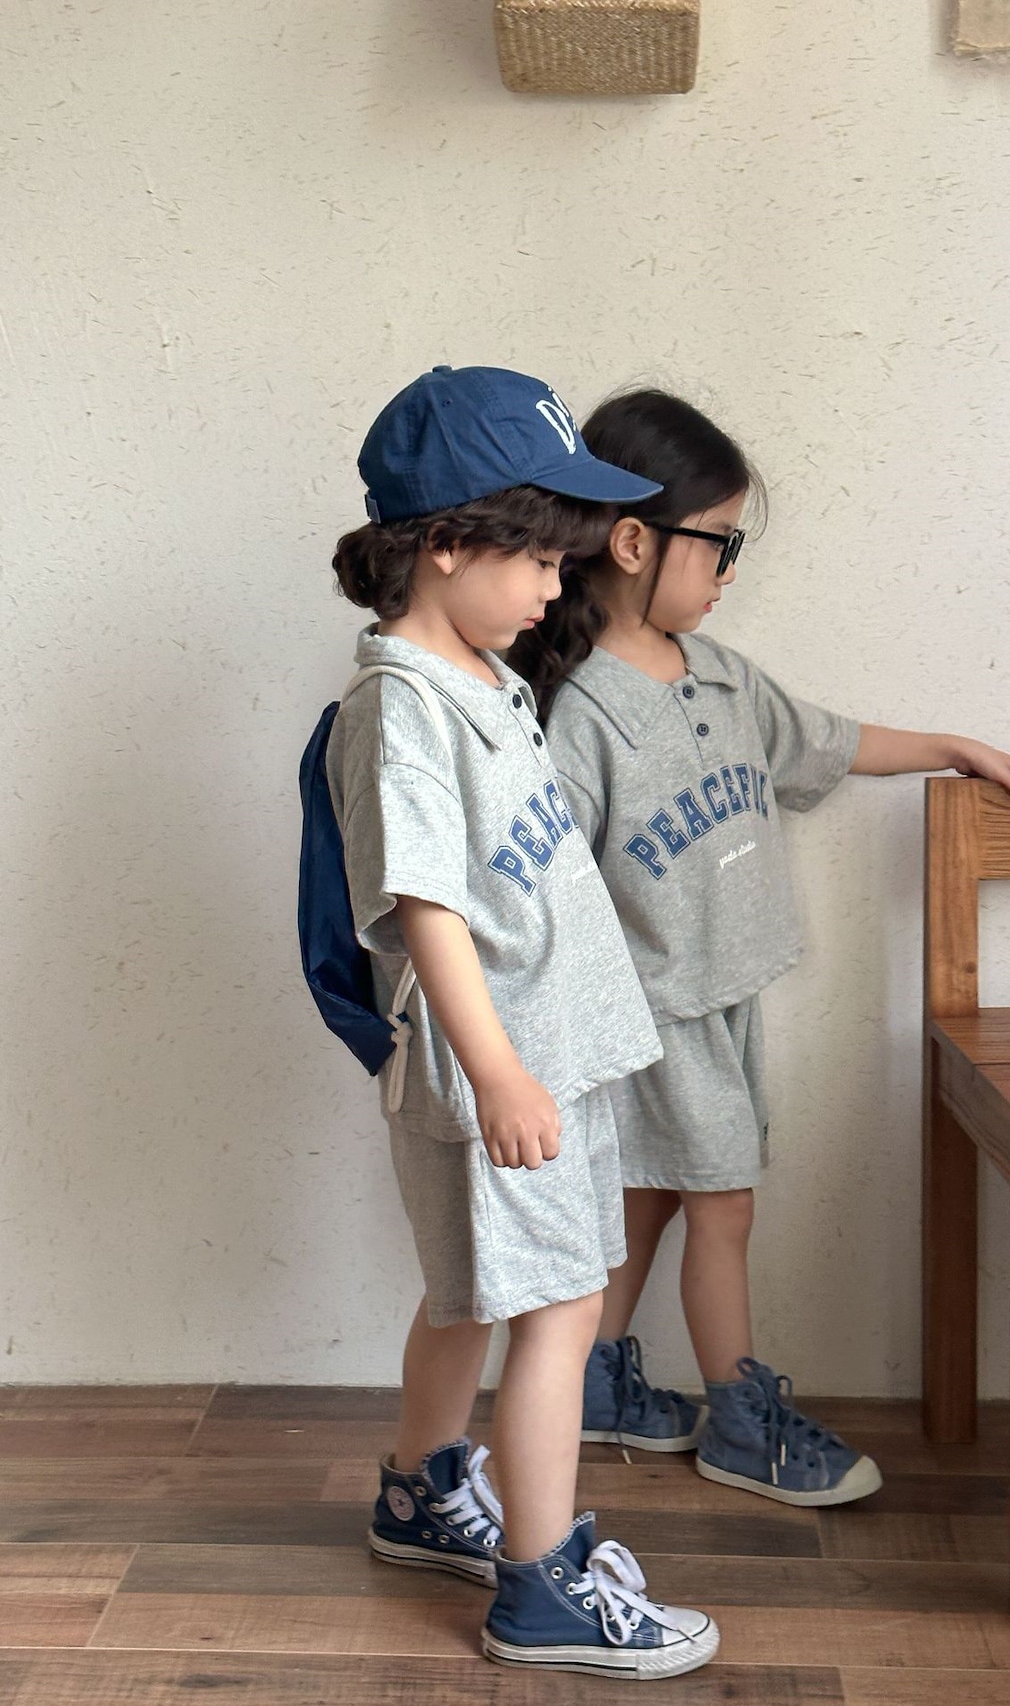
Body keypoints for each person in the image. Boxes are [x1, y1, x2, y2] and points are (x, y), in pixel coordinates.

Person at [508, 388, 1010, 1507]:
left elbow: (829, 741)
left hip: (727, 995)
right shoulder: (577, 719)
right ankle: (738, 1416)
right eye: (719, 542)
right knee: (724, 1204)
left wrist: (952, 746)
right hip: (654, 1015)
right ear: (632, 543)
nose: (728, 570)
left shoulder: (721, 678)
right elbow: (540, 894)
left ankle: (599, 1380)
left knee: (654, 1194)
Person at [322, 366, 720, 1677]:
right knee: (558, 1306)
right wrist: (496, 1070)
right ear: (445, 542)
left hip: (545, 1054)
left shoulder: (475, 674)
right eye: (541, 557)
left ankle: (421, 1488)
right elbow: (425, 902)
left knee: (470, 1292)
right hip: (505, 1067)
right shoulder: (401, 709)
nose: (559, 583)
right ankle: (541, 1586)